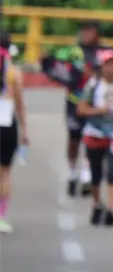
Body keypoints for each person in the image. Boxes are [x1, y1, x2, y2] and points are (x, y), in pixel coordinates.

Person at [41, 21, 101, 198]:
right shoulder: (72, 52)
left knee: (91, 139)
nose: (86, 34)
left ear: (96, 32)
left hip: (94, 104)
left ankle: (86, 177)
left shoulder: (103, 53)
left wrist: (95, 75)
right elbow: (54, 65)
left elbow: (112, 73)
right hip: (74, 103)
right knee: (74, 140)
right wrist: (46, 61)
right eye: (83, 31)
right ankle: (72, 174)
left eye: (90, 30)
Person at [77, 50, 113, 228]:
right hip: (96, 132)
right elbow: (81, 109)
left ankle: (111, 209)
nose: (111, 68)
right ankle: (96, 204)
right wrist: (97, 111)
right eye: (107, 64)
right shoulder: (93, 86)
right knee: (96, 173)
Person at [0, 33, 28, 234]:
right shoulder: (13, 73)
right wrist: (25, 130)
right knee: (4, 173)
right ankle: (0, 217)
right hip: (6, 124)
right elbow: (19, 104)